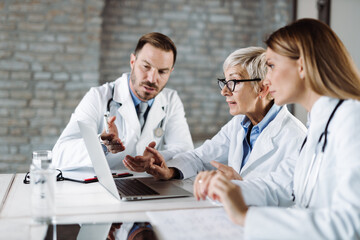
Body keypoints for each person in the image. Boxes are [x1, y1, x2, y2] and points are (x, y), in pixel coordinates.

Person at [196, 18, 360, 239]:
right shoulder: (318, 124)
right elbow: (280, 186)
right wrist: (229, 190)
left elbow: (350, 224)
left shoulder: (351, 119)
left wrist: (246, 217)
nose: (267, 79)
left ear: (301, 65)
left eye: (271, 66)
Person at [123, 47, 306, 181]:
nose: (224, 91)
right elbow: (199, 157)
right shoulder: (240, 124)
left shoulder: (296, 138)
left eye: (233, 82)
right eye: (224, 82)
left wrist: (242, 187)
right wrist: (168, 171)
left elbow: (293, 203)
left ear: (262, 88)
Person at [52, 32, 193, 170]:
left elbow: (185, 152)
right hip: (103, 189)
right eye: (146, 66)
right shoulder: (98, 96)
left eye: (162, 72)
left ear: (170, 72)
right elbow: (59, 155)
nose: (151, 79)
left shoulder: (171, 100)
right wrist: (101, 144)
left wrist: (157, 157)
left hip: (148, 186)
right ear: (133, 62)